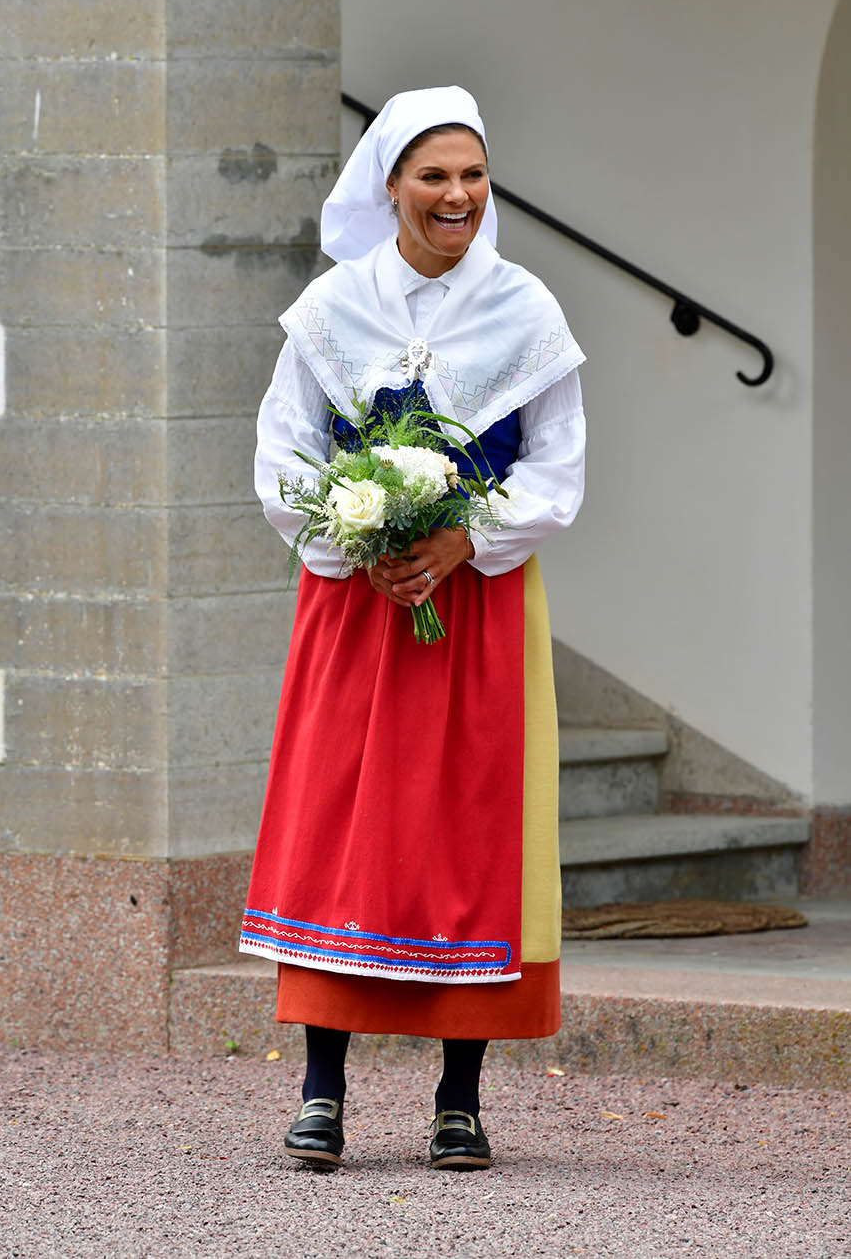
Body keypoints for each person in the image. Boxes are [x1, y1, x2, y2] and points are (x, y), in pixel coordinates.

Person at [241, 86, 586, 1172]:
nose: (458, 196)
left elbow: (558, 464)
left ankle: (459, 1100)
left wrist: (461, 540)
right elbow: (284, 450)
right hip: (354, 605)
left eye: (473, 176)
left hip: (474, 603)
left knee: (468, 824)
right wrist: (349, 531)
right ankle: (322, 1089)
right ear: (388, 184)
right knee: (341, 821)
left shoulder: (526, 310)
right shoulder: (331, 308)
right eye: (434, 176)